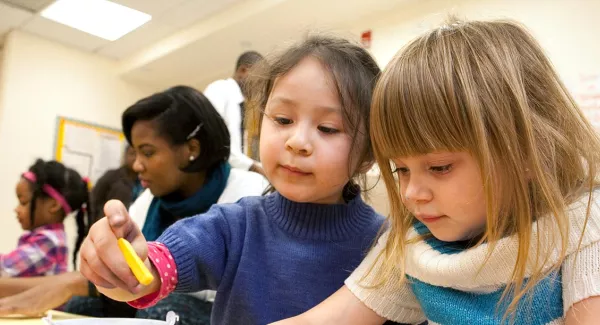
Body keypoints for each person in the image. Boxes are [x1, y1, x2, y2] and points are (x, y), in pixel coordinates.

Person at [272, 18, 600, 325]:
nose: (412, 193)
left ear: (529, 153)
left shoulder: (585, 233)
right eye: (400, 169)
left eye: (440, 167)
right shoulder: (415, 243)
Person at [79, 35, 385, 325]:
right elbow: (154, 270)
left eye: (328, 127)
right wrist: (121, 266)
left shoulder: (385, 243)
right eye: (282, 120)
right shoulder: (235, 224)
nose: (297, 141)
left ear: (369, 154)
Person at [0, 86, 267, 323]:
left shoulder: (248, 193)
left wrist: (72, 283)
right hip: (157, 301)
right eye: (135, 152)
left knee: (167, 307)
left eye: (148, 152)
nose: (136, 165)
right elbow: (128, 277)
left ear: (191, 149)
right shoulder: (149, 201)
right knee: (81, 304)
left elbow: (223, 292)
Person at [1, 159, 90, 278]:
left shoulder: (49, 241)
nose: (16, 209)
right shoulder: (48, 237)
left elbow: (5, 269)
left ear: (53, 205)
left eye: (23, 202)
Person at [204, 51, 265, 175]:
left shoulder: (241, 105)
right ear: (243, 70)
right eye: (260, 79)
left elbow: (236, 154)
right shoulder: (220, 89)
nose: (261, 86)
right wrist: (255, 168)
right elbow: (213, 140)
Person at [90, 145, 139, 223]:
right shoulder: (112, 176)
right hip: (106, 224)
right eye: (132, 154)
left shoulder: (144, 182)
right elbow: (94, 199)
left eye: (138, 155)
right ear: (125, 155)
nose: (135, 158)